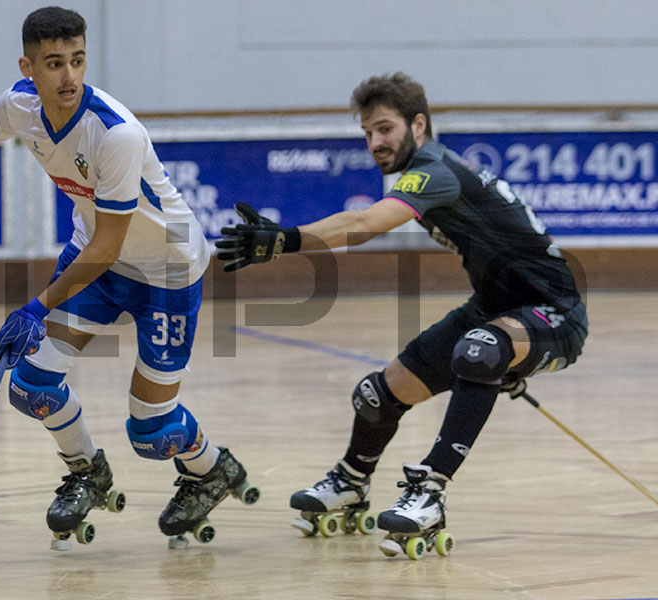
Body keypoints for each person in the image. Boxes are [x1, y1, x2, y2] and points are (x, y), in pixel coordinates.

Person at [0, 6, 258, 549]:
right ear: (28, 67)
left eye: (77, 60)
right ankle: (86, 473)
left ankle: (211, 468)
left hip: (165, 269)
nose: (69, 76)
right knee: (31, 385)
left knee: (153, 429)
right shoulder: (21, 105)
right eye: (54, 64)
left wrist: (37, 306)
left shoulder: (115, 134)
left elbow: (109, 245)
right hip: (95, 256)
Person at [215, 72, 588, 558]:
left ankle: (429, 492)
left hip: (556, 314)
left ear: (418, 125)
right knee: (377, 395)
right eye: (368, 132)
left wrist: (285, 240)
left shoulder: (434, 170)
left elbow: (365, 224)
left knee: (480, 352)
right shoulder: (428, 171)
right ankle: (351, 481)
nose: (375, 142)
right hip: (497, 310)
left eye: (385, 128)